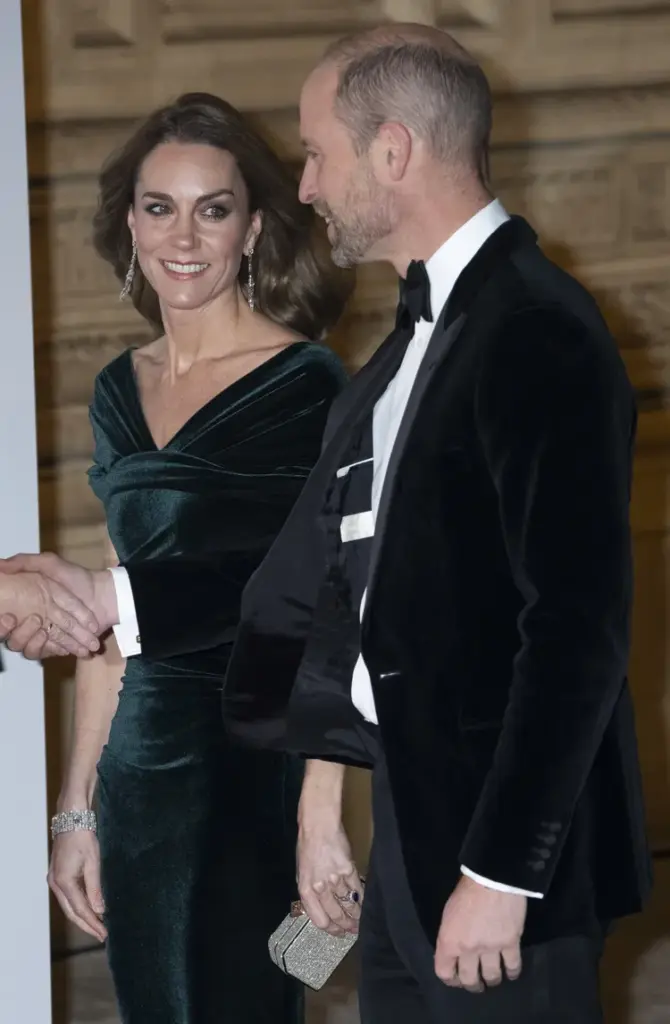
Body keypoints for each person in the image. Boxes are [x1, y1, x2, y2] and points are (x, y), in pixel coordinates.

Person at [1, 25, 652, 1024]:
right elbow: (311, 586)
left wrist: (500, 872)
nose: (304, 187)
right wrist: (101, 596)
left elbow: (576, 630)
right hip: (408, 840)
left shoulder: (535, 328)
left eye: (315, 154)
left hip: (497, 867)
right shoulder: (403, 353)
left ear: (391, 152)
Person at [0, 91, 350, 1024]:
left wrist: (322, 819)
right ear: (131, 223)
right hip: (138, 781)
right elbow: (114, 616)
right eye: (160, 207)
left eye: (213, 209)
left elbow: (330, 605)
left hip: (252, 768)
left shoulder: (307, 385)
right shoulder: (120, 388)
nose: (183, 237)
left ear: (254, 229)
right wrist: (75, 809)